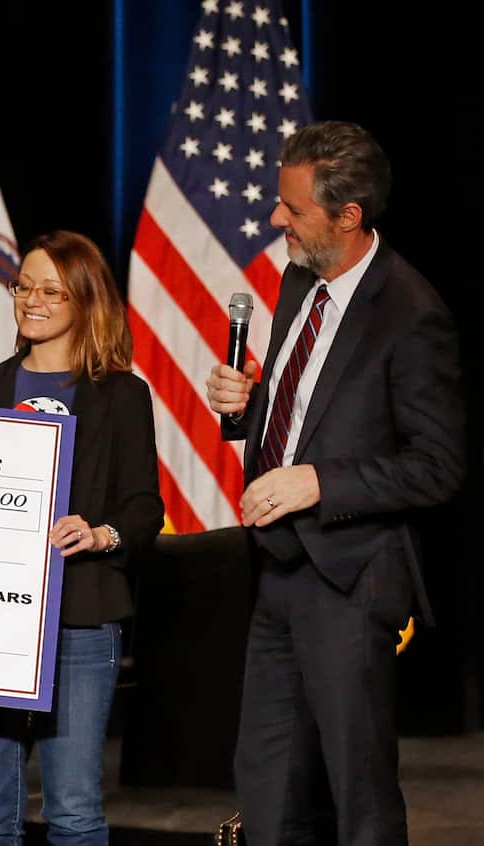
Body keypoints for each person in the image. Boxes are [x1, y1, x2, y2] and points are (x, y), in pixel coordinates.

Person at [205, 121, 467, 845]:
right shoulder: (299, 277)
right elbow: (310, 411)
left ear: (348, 216)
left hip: (352, 580)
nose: (274, 219)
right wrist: (246, 408)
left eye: (292, 208)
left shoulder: (412, 314)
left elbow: (438, 465)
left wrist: (319, 482)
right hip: (277, 570)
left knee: (359, 798)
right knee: (268, 787)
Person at [0, 230, 164, 845]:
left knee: (73, 809)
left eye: (50, 290)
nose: (31, 300)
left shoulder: (122, 394)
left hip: (81, 622)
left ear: (84, 300)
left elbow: (145, 510)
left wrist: (99, 534)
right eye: (23, 286)